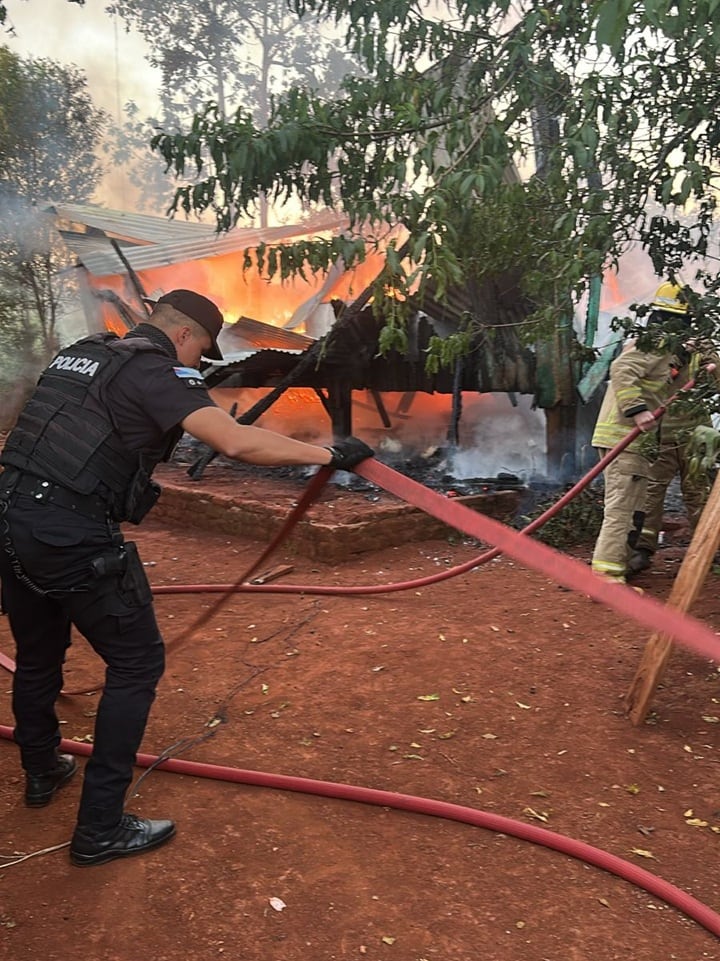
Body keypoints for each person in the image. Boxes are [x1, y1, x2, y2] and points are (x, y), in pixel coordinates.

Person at [0, 289, 373, 867]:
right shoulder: (157, 369)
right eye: (201, 350)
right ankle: (100, 828)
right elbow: (233, 440)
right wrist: (328, 454)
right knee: (137, 663)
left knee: (39, 653)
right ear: (183, 336)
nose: (198, 362)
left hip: (12, 519)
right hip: (69, 533)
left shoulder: (80, 352)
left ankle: (43, 769)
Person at [590, 282, 718, 585]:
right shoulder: (655, 345)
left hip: (663, 438)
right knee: (627, 508)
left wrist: (709, 357)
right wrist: (638, 411)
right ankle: (609, 578)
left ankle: (705, 553)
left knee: (637, 504)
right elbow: (622, 371)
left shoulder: (687, 350)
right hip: (629, 438)